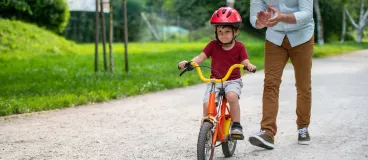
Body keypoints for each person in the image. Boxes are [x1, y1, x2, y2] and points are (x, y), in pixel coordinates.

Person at [178, 7, 256, 140]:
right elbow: (201, 57)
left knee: (231, 96)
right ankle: (207, 125)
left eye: (227, 31)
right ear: (215, 32)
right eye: (219, 31)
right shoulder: (212, 45)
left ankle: (236, 125)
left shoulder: (239, 47)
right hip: (215, 81)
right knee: (207, 103)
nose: (223, 35)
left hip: (232, 81)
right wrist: (189, 63)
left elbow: (245, 61)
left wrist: (248, 66)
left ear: (235, 32)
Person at [248, 0, 314, 149]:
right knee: (270, 83)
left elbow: (307, 13)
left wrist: (282, 17)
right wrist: (261, 22)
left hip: (302, 36)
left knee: (303, 85)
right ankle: (267, 132)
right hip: (275, 37)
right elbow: (254, 16)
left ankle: (303, 128)